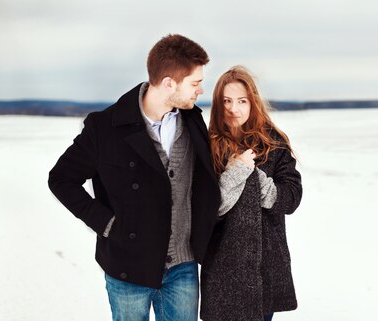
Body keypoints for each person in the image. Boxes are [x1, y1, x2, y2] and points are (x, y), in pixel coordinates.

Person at [48, 34, 220, 321]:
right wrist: (105, 223)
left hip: (183, 266)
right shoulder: (104, 127)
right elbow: (61, 179)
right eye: (195, 82)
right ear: (169, 83)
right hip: (127, 267)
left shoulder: (193, 121)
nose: (201, 90)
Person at [200, 66, 303, 321]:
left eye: (241, 101)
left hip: (265, 264)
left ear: (253, 102)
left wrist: (253, 175)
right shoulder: (206, 146)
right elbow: (207, 209)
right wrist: (235, 172)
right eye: (227, 101)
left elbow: (290, 198)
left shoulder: (274, 143)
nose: (234, 108)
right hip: (223, 265)